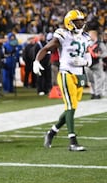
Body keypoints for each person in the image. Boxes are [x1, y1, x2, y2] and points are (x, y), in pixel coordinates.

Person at [33, 9, 92, 151]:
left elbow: (88, 57)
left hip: (79, 75)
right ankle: (73, 142)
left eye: (82, 20)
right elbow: (47, 48)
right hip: (66, 73)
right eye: (77, 21)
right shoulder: (63, 34)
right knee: (71, 107)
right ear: (69, 23)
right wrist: (37, 60)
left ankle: (51, 132)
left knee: (71, 109)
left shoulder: (85, 37)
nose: (81, 23)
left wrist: (84, 62)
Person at [86, 30, 107, 99]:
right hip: (88, 64)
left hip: (97, 63)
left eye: (90, 35)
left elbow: (105, 53)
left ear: (94, 35)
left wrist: (99, 55)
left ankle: (98, 93)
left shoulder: (99, 43)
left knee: (99, 79)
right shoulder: (87, 43)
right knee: (91, 79)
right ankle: (93, 92)